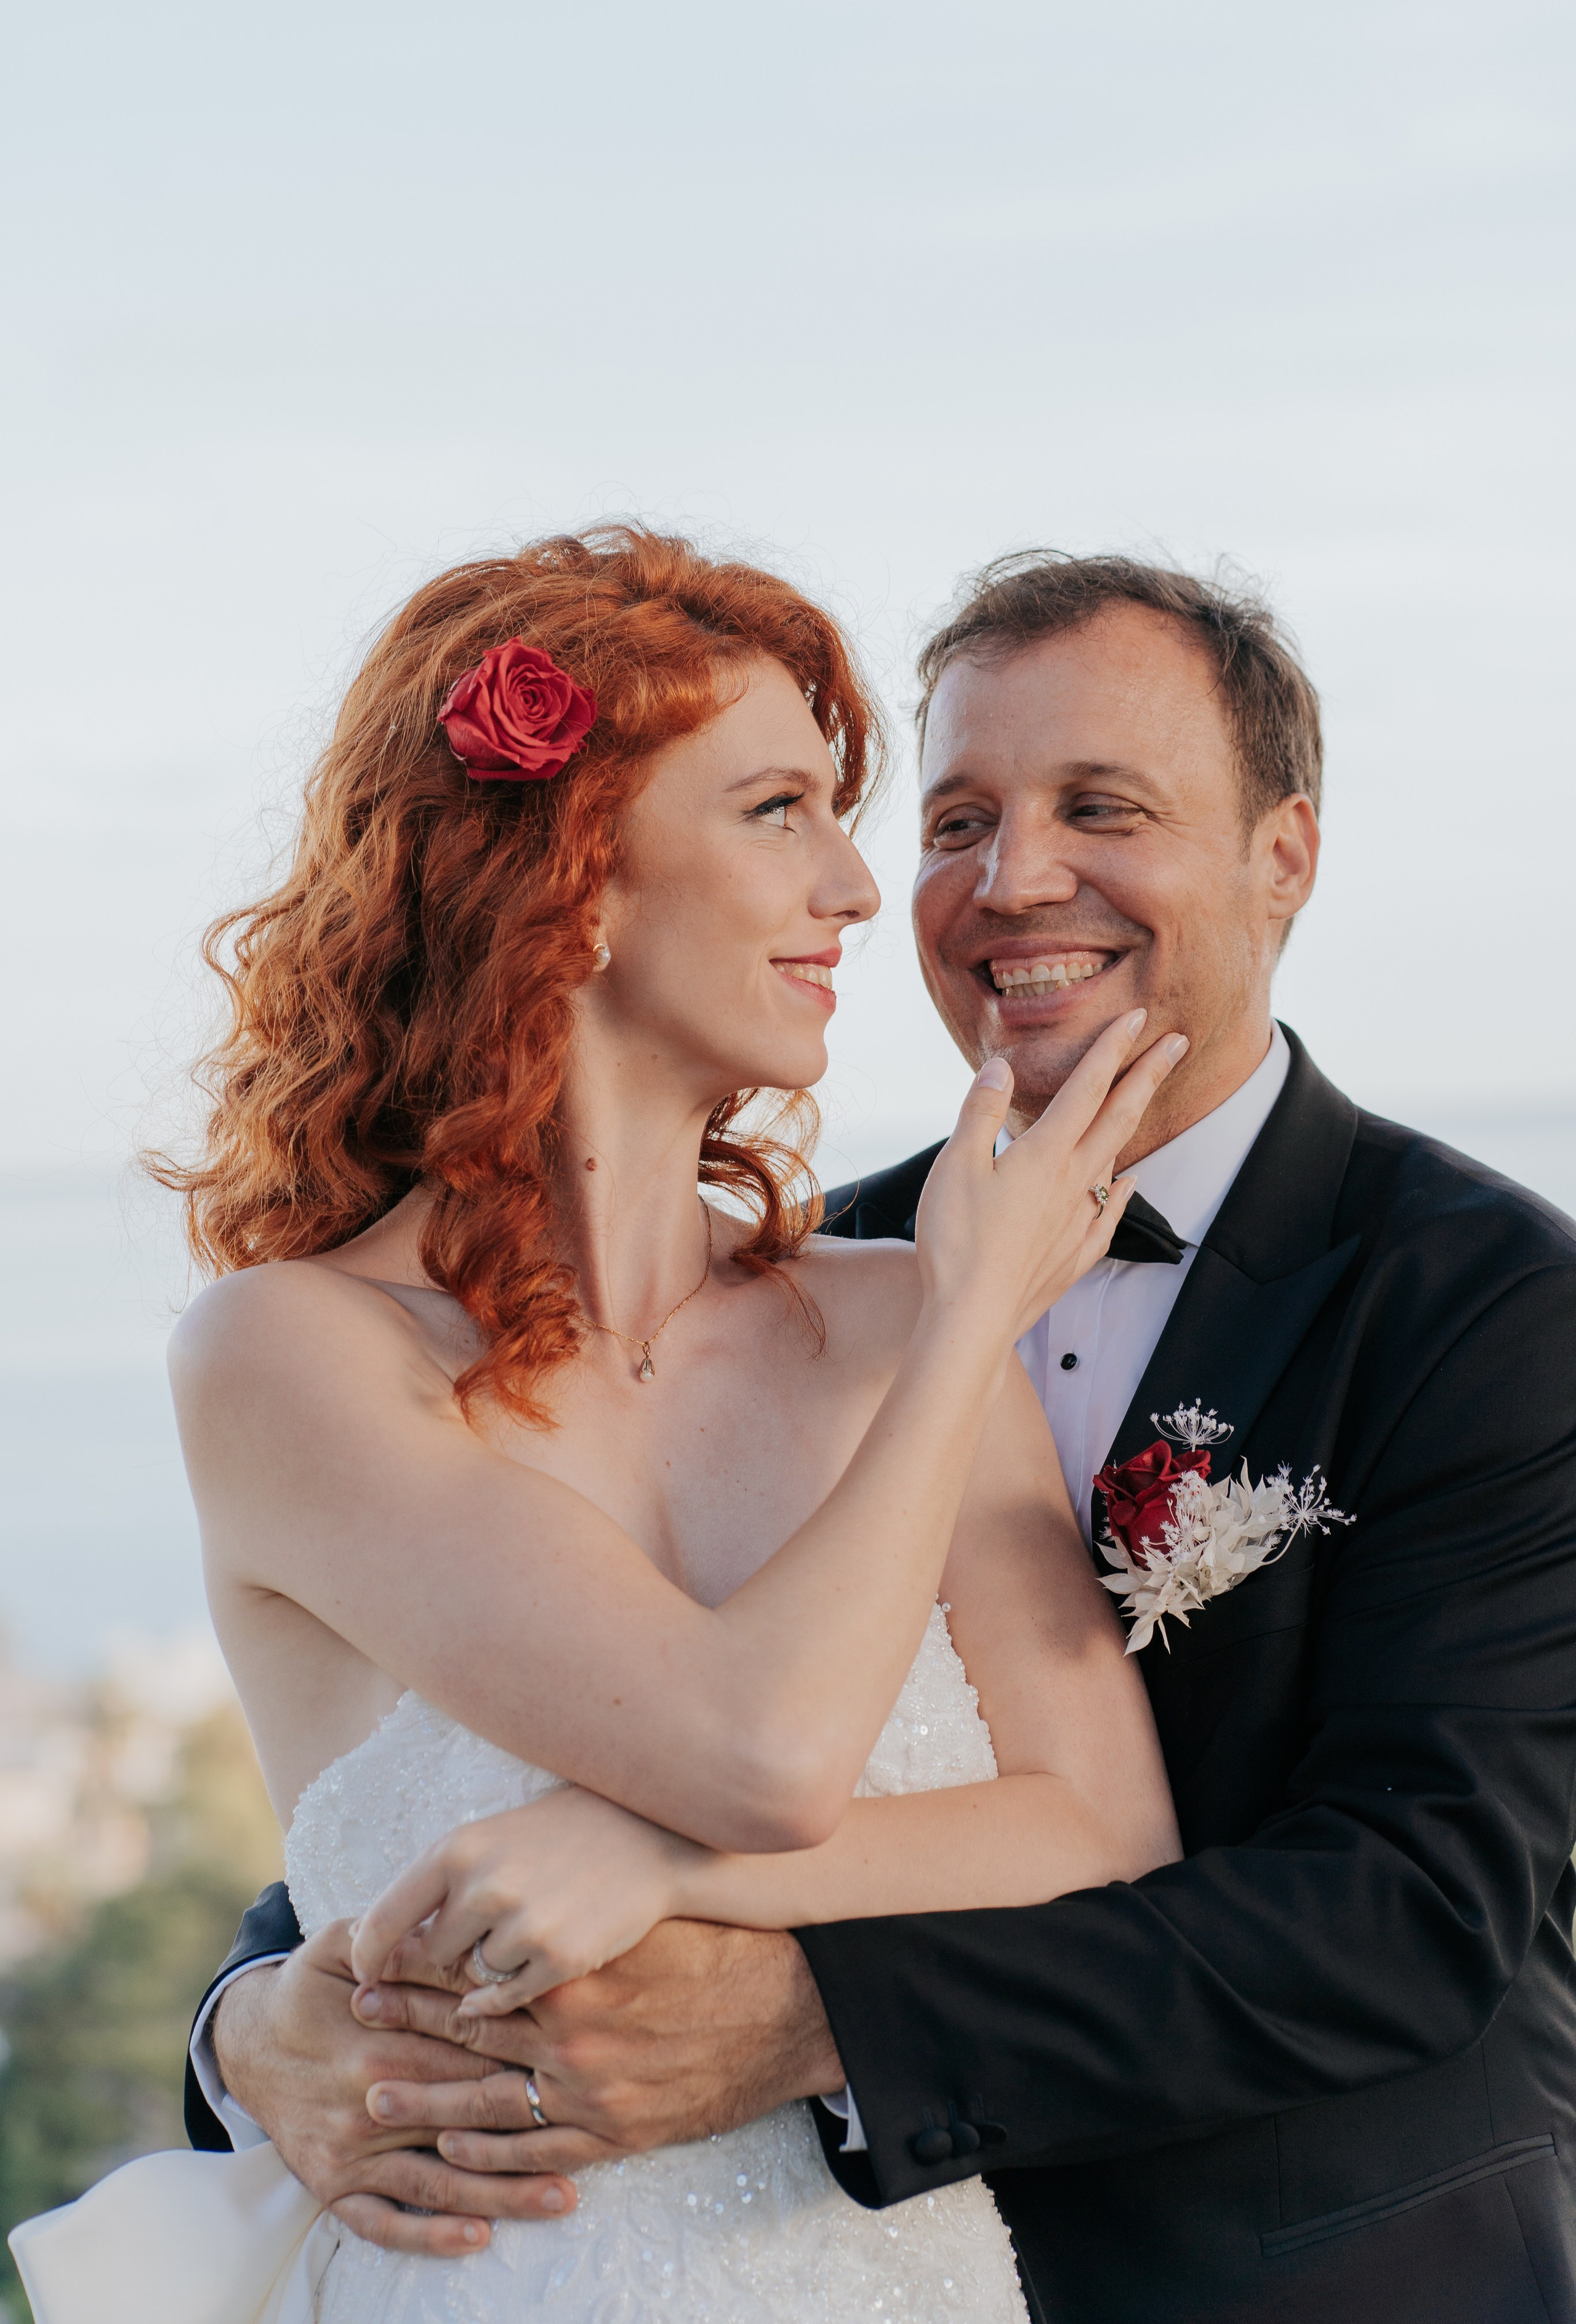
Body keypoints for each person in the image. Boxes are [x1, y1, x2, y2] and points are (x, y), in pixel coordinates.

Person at [189, 551, 1576, 2324]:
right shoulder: (857, 1274)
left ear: (1283, 855)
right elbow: (460, 1761)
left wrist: (788, 2002)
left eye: (1102, 807)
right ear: (570, 884)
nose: (1006, 882)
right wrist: (252, 2025)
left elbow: (1409, 1914)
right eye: (955, 818)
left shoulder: (1483, 1300)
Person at [10, 529, 1193, 2324]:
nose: (861, 889)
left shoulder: (885, 1313)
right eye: (779, 808)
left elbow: (1106, 1828)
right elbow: (760, 1752)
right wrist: (977, 1322)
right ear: (573, 879)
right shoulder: (290, 1357)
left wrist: (643, 1858)